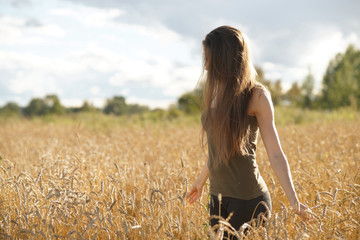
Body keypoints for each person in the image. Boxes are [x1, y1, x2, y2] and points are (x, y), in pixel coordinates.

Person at [187, 26, 310, 237]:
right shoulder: (216, 97)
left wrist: (295, 201)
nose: (206, 67)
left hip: (249, 202)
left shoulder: (257, 96)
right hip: (216, 199)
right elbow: (218, 151)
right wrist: (200, 182)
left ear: (223, 59)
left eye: (209, 59)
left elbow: (275, 153)